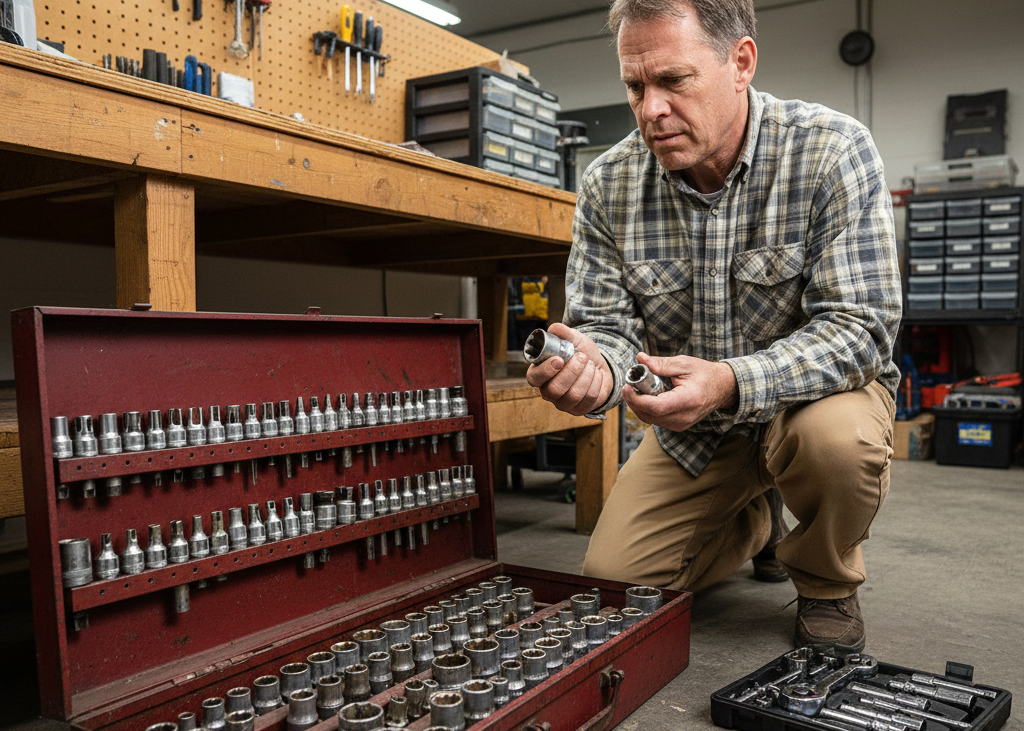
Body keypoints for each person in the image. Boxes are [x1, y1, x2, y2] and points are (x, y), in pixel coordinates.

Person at [525, 0, 901, 653]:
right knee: (618, 583)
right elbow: (608, 333)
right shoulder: (608, 185)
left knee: (835, 444)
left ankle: (825, 577)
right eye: (635, 86)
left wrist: (731, 380)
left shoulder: (830, 150)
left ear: (741, 63)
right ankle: (758, 524)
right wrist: (596, 373)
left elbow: (861, 328)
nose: (650, 110)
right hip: (698, 431)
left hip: (810, 407)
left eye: (673, 81)